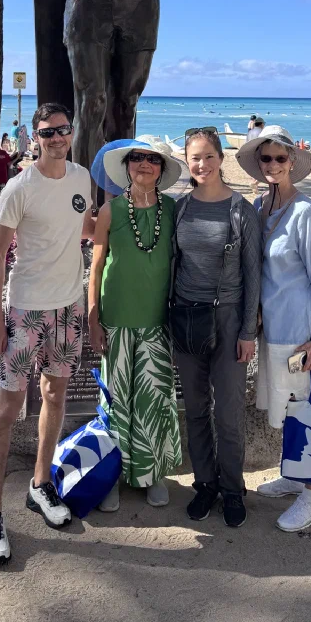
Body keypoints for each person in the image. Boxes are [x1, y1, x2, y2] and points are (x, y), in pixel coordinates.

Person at [0, 103, 96, 567]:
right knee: (9, 406)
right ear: (35, 136)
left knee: (55, 396)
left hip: (68, 305)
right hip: (26, 308)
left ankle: (40, 483)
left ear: (71, 133)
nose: (56, 138)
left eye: (63, 130)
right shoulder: (19, 187)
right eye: (48, 132)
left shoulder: (82, 177)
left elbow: (83, 228)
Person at [236, 128, 311, 531]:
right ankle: (295, 474)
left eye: (280, 159)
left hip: (297, 328)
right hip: (270, 328)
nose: (274, 165)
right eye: (266, 160)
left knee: (303, 411)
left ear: (292, 161)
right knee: (285, 407)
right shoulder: (262, 205)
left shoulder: (305, 211)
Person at [172, 127, 261, 528]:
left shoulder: (241, 210)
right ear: (186, 162)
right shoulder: (181, 208)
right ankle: (204, 483)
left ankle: (232, 488)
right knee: (194, 410)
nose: (202, 165)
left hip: (227, 319)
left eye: (209, 156)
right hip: (188, 319)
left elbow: (253, 275)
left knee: (227, 413)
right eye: (195, 158)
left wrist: (247, 332)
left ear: (221, 158)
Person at [87, 140, 182, 512]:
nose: (144, 164)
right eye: (137, 158)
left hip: (157, 321)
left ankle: (152, 472)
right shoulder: (110, 211)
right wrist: (94, 317)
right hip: (117, 320)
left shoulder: (173, 209)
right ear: (126, 167)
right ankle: (111, 475)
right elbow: (95, 266)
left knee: (154, 399)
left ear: (161, 169)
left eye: (152, 159)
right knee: (114, 401)